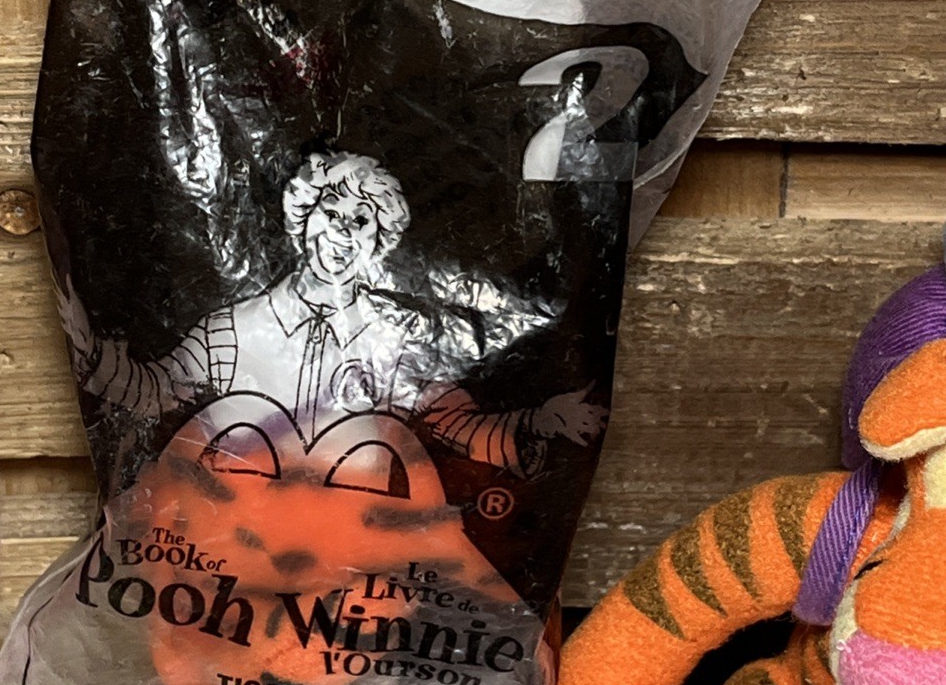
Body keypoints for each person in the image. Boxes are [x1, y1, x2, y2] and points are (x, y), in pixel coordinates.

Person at [57, 151, 605, 478]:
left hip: (346, 564)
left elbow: (456, 426)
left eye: (361, 220)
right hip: (227, 551)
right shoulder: (233, 329)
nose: (343, 231)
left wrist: (539, 421)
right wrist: (89, 353)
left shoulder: (393, 342)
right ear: (302, 219)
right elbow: (157, 391)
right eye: (331, 211)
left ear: (379, 241)